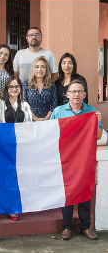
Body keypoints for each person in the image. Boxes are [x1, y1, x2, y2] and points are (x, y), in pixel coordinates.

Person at [50, 79, 103, 240]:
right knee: (67, 192)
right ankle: (67, 227)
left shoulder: (91, 111)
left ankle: (85, 227)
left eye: (80, 91)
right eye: (73, 91)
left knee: (85, 191)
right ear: (67, 94)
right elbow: (49, 135)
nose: (76, 94)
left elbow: (99, 136)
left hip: (84, 159)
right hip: (65, 159)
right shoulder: (59, 111)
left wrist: (98, 122)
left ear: (84, 94)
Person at [0, 75, 32, 222]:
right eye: (11, 87)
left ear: (20, 88)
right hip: (1, 147)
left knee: (14, 179)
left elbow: (28, 126)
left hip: (18, 149)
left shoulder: (25, 105)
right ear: (6, 89)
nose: (14, 89)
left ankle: (12, 208)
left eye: (17, 86)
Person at [23, 56, 58, 121]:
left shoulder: (52, 85)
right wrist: (35, 118)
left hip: (47, 120)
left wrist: (45, 119)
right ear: (33, 69)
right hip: (29, 120)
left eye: (42, 67)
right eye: (37, 67)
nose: (39, 69)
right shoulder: (26, 84)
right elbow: (23, 104)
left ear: (46, 69)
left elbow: (54, 105)